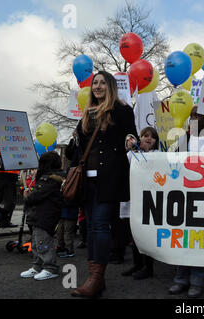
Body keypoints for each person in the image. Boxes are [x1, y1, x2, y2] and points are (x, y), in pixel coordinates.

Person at [70, 71, 139, 298]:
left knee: (100, 225)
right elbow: (79, 149)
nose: (97, 87)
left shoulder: (122, 110)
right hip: (86, 180)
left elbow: (131, 134)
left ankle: (96, 279)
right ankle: (94, 278)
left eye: (102, 83)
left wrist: (130, 140)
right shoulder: (87, 113)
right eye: (95, 83)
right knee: (90, 227)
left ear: (110, 87)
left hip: (109, 178)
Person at [168, 106, 204, 299]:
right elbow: (170, 161)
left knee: (200, 240)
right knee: (184, 238)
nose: (195, 118)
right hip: (184, 195)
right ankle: (181, 279)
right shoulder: (184, 139)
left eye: (198, 115)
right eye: (192, 115)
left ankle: (197, 281)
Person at [20, 152, 65, 280]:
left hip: (45, 215)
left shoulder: (50, 178)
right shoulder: (54, 177)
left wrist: (28, 196)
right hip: (42, 215)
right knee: (35, 242)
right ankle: (37, 266)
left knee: (43, 242)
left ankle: (50, 268)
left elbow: (37, 196)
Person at [121, 127, 159, 280]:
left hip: (150, 200)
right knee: (134, 235)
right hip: (133, 199)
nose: (147, 138)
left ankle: (148, 268)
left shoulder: (157, 155)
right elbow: (124, 162)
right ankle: (137, 264)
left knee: (146, 235)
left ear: (156, 141)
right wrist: (132, 148)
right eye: (144, 136)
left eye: (151, 136)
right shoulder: (133, 155)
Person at [0, 143, 19, 228]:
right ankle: (5, 221)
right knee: (10, 201)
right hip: (9, 175)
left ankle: (3, 220)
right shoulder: (13, 144)